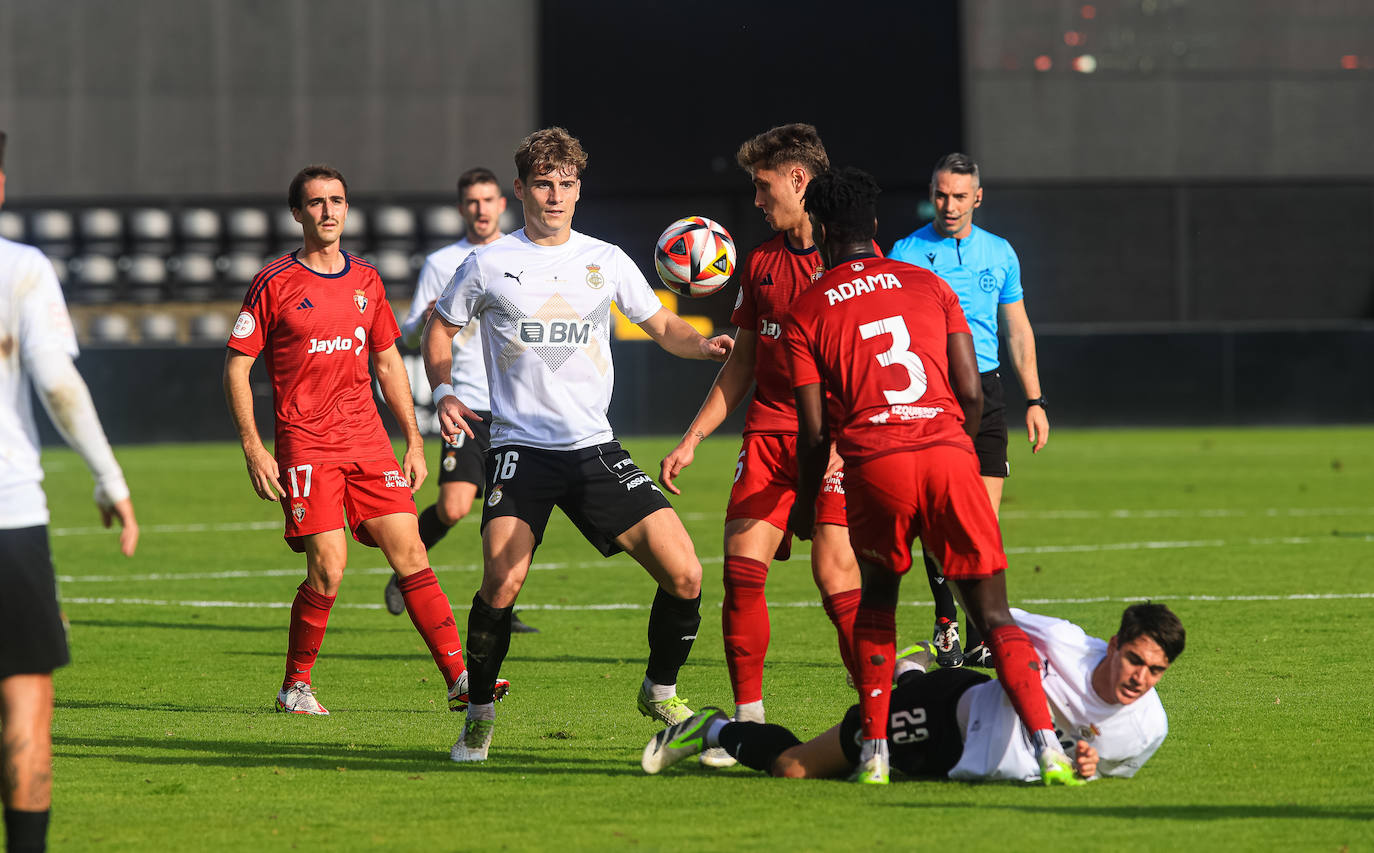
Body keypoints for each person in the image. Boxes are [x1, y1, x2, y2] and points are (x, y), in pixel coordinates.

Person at [423, 126, 733, 762]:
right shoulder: (486, 263)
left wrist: (702, 345)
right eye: (543, 183)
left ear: (578, 188)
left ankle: (659, 691)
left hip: (594, 448)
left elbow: (664, 324)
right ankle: (478, 715)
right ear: (521, 189)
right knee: (501, 584)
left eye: (566, 184)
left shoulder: (606, 259)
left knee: (685, 572)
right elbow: (440, 329)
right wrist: (445, 390)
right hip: (520, 451)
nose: (556, 195)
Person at [780, 167, 1076, 785]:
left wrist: (807, 506)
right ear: (876, 227)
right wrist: (953, 454)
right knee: (993, 615)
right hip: (946, 452)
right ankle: (1049, 748)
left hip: (877, 464)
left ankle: (878, 756)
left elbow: (812, 433)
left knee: (879, 605)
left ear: (824, 227)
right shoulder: (929, 283)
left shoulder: (807, 308)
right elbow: (970, 391)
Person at [224, 164, 504, 718]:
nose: (328, 211)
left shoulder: (367, 281)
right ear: (298, 213)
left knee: (412, 552)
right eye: (316, 202)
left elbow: (387, 362)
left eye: (337, 201)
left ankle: (459, 677)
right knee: (329, 567)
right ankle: (294, 687)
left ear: (347, 209)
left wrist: (414, 442)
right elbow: (237, 368)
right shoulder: (274, 282)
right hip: (306, 444)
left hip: (368, 442)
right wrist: (255, 449)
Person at [657, 124, 861, 767]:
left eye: (763, 185)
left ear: (800, 180)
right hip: (770, 436)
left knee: (835, 577)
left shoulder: (852, 259)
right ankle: (748, 724)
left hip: (835, 441)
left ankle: (881, 710)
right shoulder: (764, 262)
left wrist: (843, 442)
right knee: (741, 575)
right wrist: (691, 439)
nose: (755, 199)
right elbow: (742, 364)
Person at [0, 129, 139, 853]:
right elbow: (58, 384)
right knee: (24, 696)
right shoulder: (20, 267)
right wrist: (110, 478)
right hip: (9, 514)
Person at [642, 603, 1185, 783]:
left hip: (961, 765)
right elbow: (991, 610)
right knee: (795, 768)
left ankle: (908, 672)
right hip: (944, 712)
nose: (1139, 677)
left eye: (1155, 671)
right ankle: (709, 727)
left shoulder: (1147, 731)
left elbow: (1097, 766)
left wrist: (1085, 765)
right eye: (1134, 659)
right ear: (1112, 645)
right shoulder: (1067, 644)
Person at [889, 153, 1049, 669]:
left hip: (988, 391)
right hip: (930, 391)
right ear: (931, 193)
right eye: (941, 194)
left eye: (960, 196)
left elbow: (1017, 330)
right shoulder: (906, 253)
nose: (949, 205)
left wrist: (1036, 400)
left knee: (980, 525)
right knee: (939, 522)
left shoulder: (1000, 254)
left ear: (977, 198)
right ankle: (947, 622)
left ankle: (974, 630)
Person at [383, 168, 536, 633]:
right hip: (465, 403)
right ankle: (406, 568)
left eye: (488, 199)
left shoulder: (524, 255)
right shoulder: (441, 263)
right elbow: (408, 335)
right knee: (453, 507)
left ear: (502, 204)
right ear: (461, 208)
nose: (481, 209)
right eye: (472, 201)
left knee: (510, 513)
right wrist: (423, 321)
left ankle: (499, 609)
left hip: (514, 407)